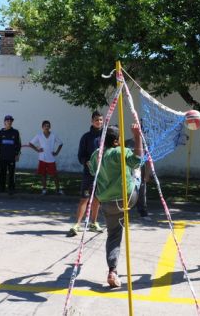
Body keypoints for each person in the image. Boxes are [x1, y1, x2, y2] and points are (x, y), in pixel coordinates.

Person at [88, 124, 143, 288]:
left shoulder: (96, 154)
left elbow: (92, 171)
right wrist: (137, 137)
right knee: (137, 173)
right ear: (117, 140)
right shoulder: (121, 151)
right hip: (127, 198)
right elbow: (138, 159)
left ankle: (112, 270)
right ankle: (138, 178)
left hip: (107, 202)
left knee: (113, 235)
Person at [67, 111, 104, 237]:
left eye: (100, 120)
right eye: (96, 120)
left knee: (97, 199)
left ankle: (94, 223)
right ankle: (77, 224)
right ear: (91, 121)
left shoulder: (106, 136)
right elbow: (80, 155)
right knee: (85, 198)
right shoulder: (86, 137)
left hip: (102, 173)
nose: (98, 122)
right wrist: (86, 162)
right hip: (89, 173)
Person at [29, 120, 64, 195]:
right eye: (45, 126)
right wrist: (37, 149)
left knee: (55, 175)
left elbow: (61, 143)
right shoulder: (39, 135)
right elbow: (30, 143)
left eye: (48, 126)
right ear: (42, 127)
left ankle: (58, 189)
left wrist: (57, 152)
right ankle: (44, 189)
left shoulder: (53, 135)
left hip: (51, 159)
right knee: (43, 174)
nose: (47, 127)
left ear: (50, 127)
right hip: (42, 158)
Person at [0, 115, 21, 195]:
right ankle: (1, 188)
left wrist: (17, 154)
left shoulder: (15, 132)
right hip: (2, 157)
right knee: (2, 173)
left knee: (11, 173)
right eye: (7, 121)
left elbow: (19, 144)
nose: (9, 122)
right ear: (4, 122)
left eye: (11, 121)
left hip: (11, 157)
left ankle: (11, 189)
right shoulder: (0, 132)